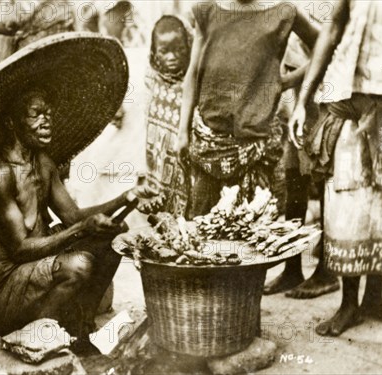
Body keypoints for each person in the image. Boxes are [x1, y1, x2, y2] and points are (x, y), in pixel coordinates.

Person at [0, 33, 154, 357]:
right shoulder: (0, 175)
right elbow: (20, 250)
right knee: (79, 265)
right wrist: (82, 231)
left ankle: (78, 331)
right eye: (36, 114)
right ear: (13, 123)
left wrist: (127, 197)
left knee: (115, 240)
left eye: (49, 113)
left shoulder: (43, 163)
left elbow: (72, 216)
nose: (47, 121)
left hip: (29, 268)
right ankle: (36, 339)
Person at [288, 0, 382, 336]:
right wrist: (304, 99)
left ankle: (373, 298)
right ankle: (349, 303)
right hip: (346, 98)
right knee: (346, 199)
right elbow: (332, 28)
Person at [175, 0, 318, 217]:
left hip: (258, 149)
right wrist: (182, 131)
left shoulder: (283, 11)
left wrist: (287, 81)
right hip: (208, 148)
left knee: (258, 237)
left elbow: (325, 45)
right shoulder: (207, 10)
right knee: (203, 234)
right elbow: (193, 73)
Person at [263, 34, 340, 298]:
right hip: (299, 99)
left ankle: (327, 271)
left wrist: (288, 81)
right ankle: (292, 267)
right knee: (295, 177)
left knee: (323, 176)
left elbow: (327, 46)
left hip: (324, 94)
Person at [144, 15, 192, 216]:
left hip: (185, 157)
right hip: (157, 161)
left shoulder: (192, 82)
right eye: (164, 51)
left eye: (178, 50)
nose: (172, 57)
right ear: (155, 53)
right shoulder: (150, 79)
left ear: (188, 49)